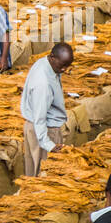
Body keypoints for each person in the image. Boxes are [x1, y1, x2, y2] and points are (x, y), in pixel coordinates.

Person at [20, 43, 73, 177]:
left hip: (38, 128)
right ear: (53, 57)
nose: (64, 70)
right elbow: (40, 118)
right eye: (62, 66)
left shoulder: (45, 62)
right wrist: (49, 145)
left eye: (67, 66)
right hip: (44, 132)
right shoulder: (42, 84)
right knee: (43, 175)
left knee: (35, 170)